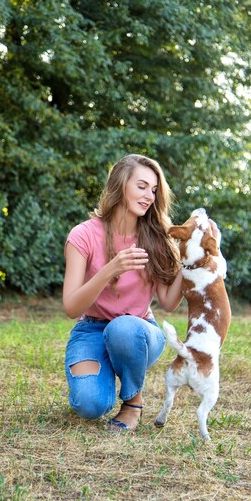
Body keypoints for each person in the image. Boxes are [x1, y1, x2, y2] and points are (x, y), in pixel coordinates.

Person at [63, 154, 183, 432]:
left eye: (154, 190)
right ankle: (104, 377)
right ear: (120, 184)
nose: (149, 196)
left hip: (138, 331)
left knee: (123, 329)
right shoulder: (83, 235)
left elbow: (168, 302)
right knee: (90, 405)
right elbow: (71, 307)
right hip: (91, 329)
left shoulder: (156, 236)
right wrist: (110, 269)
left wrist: (188, 264)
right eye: (141, 186)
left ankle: (132, 402)